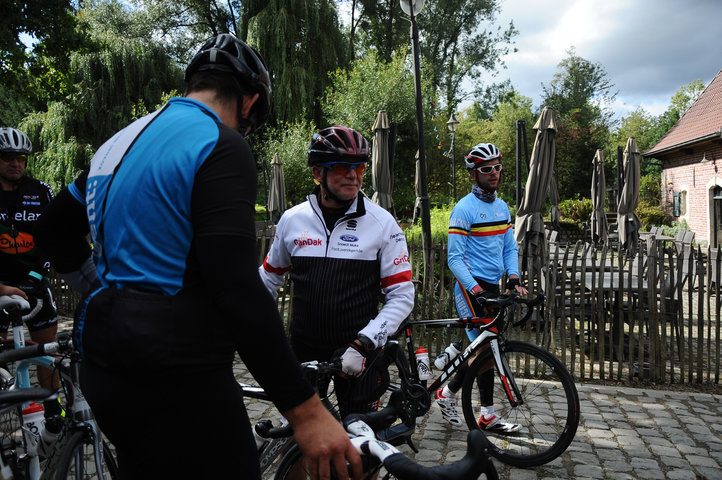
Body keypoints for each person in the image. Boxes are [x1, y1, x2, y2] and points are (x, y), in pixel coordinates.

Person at [34, 34, 361, 480]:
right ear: (249, 103)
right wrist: (305, 412)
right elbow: (236, 289)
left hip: (104, 366)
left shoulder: (118, 142)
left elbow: (52, 231)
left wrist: (104, 291)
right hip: (175, 373)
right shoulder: (220, 143)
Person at [258, 125, 415, 418]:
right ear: (318, 173)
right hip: (303, 351)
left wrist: (365, 342)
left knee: (362, 447)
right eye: (343, 167)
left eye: (360, 167)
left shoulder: (382, 223)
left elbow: (402, 295)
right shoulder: (292, 220)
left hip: (359, 352)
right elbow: (268, 278)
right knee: (300, 438)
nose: (354, 176)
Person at [435, 142, 528, 434]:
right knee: (487, 349)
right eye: (487, 169)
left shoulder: (501, 207)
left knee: (483, 349)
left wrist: (513, 277)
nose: (494, 173)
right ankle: (485, 413)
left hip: (492, 285)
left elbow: (509, 248)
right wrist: (476, 290)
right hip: (470, 286)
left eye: (498, 167)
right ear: (474, 174)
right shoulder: (464, 209)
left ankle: (447, 390)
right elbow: (454, 259)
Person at [0, 127, 58, 391]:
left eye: (21, 158)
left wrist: (36, 276)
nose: (15, 163)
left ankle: (54, 412)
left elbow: (54, 237)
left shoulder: (41, 190)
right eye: (8, 156)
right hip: (1, 285)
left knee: (48, 356)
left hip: (34, 282)